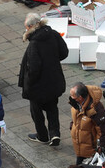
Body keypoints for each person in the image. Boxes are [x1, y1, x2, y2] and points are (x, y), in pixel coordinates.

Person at [18, 13, 69, 145]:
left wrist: (28, 84)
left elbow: (34, 68)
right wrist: (52, 60)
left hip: (38, 85)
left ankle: (42, 136)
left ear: (30, 27)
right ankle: (55, 134)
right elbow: (64, 52)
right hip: (54, 79)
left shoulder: (34, 44)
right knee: (52, 108)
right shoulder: (53, 34)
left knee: (36, 111)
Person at [68, 83, 105, 164]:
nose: (71, 98)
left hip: (90, 148)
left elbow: (102, 130)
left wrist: (101, 146)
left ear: (80, 97)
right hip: (80, 144)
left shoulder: (96, 109)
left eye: (73, 97)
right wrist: (72, 126)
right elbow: (76, 117)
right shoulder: (76, 103)